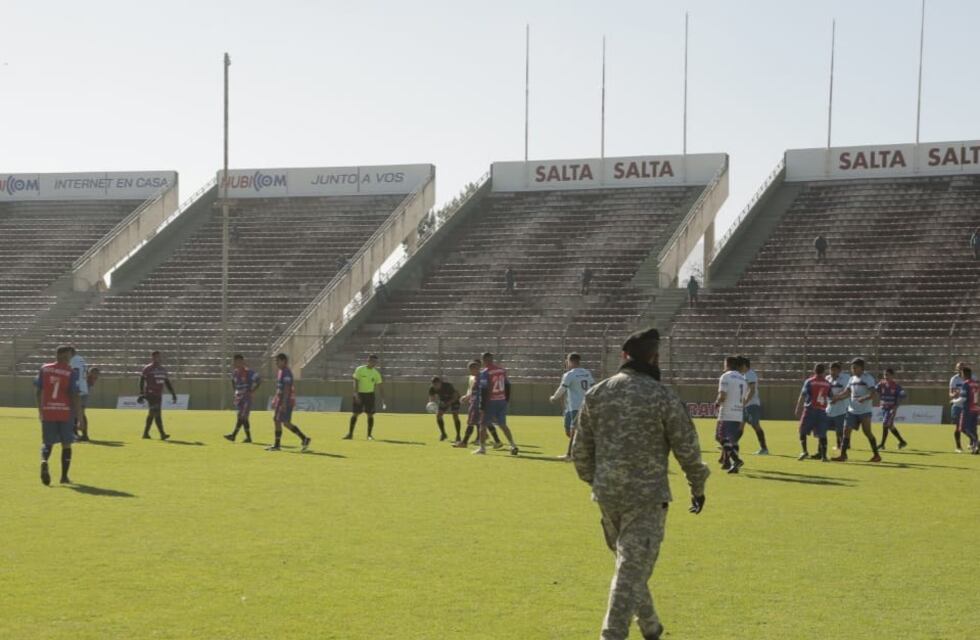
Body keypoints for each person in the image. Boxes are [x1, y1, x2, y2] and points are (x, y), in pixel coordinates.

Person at [572, 328, 709, 640]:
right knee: (631, 570)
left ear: (624, 356)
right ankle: (612, 634)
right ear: (654, 357)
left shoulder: (597, 393)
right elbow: (687, 447)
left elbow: (580, 452)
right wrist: (697, 486)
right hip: (646, 496)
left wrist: (597, 480)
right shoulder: (662, 395)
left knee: (629, 569)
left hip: (607, 494)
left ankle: (650, 627)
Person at [34, 346, 81, 485]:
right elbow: (74, 394)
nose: (69, 359)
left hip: (48, 411)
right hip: (65, 412)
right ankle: (64, 477)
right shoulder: (70, 372)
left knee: (47, 442)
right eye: (68, 357)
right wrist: (79, 416)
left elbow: (38, 391)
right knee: (66, 444)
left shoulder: (44, 368)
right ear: (60, 355)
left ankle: (44, 461)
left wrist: (40, 410)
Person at [831, 358, 881, 463]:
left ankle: (876, 455)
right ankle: (843, 455)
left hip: (864, 411)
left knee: (867, 432)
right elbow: (847, 392)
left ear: (861, 368)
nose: (853, 369)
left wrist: (864, 398)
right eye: (852, 367)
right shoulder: (852, 378)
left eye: (855, 367)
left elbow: (873, 394)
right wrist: (837, 397)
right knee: (846, 431)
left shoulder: (868, 378)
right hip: (852, 410)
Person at [549, 352, 595, 460]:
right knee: (569, 431)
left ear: (569, 361)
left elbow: (562, 389)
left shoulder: (569, 374)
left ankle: (570, 455)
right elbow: (593, 387)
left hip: (577, 406)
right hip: (573, 407)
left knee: (573, 430)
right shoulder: (587, 373)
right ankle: (581, 449)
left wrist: (554, 398)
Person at [474, 352, 519, 456]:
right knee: (502, 424)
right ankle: (513, 445)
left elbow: (484, 390)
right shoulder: (502, 370)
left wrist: (482, 406)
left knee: (483, 424)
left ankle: (482, 448)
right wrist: (506, 399)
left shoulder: (485, 372)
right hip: (501, 401)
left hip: (491, 401)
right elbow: (508, 385)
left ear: (484, 360)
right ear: (492, 359)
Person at [266, 353, 311, 452]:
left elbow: (287, 388)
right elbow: (279, 388)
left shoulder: (286, 372)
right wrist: (275, 399)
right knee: (277, 420)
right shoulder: (280, 371)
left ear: (283, 361)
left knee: (285, 423)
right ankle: (278, 445)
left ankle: (304, 438)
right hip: (280, 400)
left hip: (285, 401)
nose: (276, 363)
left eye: (277, 361)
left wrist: (284, 403)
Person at [454, 360, 503, 449]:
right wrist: (467, 397)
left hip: (477, 404)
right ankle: (497, 441)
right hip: (483, 403)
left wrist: (470, 399)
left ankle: (464, 442)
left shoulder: (480, 378)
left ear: (474, 369)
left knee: (471, 423)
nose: (470, 372)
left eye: (470, 370)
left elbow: (481, 391)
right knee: (487, 423)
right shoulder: (480, 377)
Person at [794, 363, 832, 461]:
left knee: (802, 431)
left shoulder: (810, 381)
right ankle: (824, 456)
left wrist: (798, 407)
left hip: (810, 409)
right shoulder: (827, 383)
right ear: (824, 372)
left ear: (814, 371)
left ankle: (805, 451)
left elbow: (803, 395)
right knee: (822, 433)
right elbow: (831, 396)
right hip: (822, 410)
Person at [716, 356, 746, 473]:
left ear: (727, 364)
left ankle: (736, 460)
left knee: (720, 437)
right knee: (732, 440)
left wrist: (717, 403)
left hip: (727, 412)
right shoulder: (742, 378)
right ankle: (730, 464)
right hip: (738, 412)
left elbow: (722, 395)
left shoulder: (725, 376)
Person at [138, 350, 177, 440]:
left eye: (159, 357)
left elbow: (167, 382)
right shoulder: (148, 368)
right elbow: (141, 379)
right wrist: (141, 392)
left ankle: (145, 434)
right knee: (157, 413)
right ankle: (162, 434)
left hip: (158, 394)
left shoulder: (162, 369)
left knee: (152, 414)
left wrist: (173, 394)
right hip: (150, 393)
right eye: (156, 357)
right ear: (152, 357)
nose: (158, 358)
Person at [345, 354, 384, 440]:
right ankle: (350, 434)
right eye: (372, 361)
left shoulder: (376, 373)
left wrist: (382, 398)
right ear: (368, 361)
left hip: (370, 395)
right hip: (359, 394)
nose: (373, 363)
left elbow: (380, 386)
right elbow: (355, 381)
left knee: (370, 415)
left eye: (375, 362)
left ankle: (369, 435)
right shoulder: (360, 369)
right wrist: (355, 394)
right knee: (355, 414)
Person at [225, 354, 261, 443]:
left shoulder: (248, 372)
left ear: (241, 361)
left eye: (237, 361)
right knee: (242, 418)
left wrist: (252, 391)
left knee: (242, 417)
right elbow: (233, 381)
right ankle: (248, 438)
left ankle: (233, 435)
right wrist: (235, 391)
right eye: (234, 361)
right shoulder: (235, 372)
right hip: (239, 398)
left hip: (246, 398)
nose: (235, 363)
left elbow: (258, 380)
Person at [739, 356, 769, 454]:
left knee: (756, 426)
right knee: (740, 426)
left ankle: (764, 449)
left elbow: (751, 390)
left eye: (739, 365)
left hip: (752, 405)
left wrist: (745, 402)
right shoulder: (745, 375)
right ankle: (729, 445)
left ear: (744, 365)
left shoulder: (750, 374)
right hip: (747, 405)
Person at [876, 368, 908, 450]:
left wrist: (895, 407)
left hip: (891, 409)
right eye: (884, 375)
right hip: (884, 408)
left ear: (892, 376)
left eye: (887, 375)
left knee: (885, 424)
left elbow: (903, 395)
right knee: (890, 426)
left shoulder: (896, 386)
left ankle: (882, 444)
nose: (885, 376)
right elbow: (874, 390)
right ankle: (902, 442)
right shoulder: (881, 384)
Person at [949, 362, 975, 453]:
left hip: (967, 405)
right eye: (959, 368)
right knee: (957, 427)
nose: (960, 369)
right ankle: (958, 447)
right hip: (957, 406)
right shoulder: (954, 379)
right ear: (956, 369)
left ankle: (973, 442)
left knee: (968, 426)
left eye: (962, 367)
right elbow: (950, 394)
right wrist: (954, 394)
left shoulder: (971, 378)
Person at [428, 376, 461, 442]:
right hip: (443, 400)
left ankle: (458, 435)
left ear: (440, 383)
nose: (435, 386)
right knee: (438, 415)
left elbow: (455, 395)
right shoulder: (432, 388)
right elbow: (431, 398)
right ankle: (443, 434)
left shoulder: (448, 386)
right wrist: (432, 404)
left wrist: (448, 403)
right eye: (434, 384)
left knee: (455, 416)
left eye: (437, 384)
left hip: (454, 399)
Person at [825, 362, 850, 450]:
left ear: (839, 370)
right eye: (831, 369)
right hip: (830, 408)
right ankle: (840, 444)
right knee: (825, 428)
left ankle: (842, 445)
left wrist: (838, 398)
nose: (832, 371)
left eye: (835, 370)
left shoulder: (846, 378)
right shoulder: (827, 378)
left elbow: (849, 393)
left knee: (840, 429)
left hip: (842, 408)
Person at [956, 367, 979, 454]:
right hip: (975, 408)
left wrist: (954, 401)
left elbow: (962, 398)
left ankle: (976, 441)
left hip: (967, 409)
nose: (961, 375)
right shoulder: (975, 384)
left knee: (963, 428)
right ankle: (975, 448)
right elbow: (976, 397)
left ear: (965, 374)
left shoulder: (966, 384)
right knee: (973, 429)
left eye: (962, 373)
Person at [68, 346, 89, 440]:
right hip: (84, 387)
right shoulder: (81, 359)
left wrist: (73, 386)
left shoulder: (73, 360)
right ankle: (84, 434)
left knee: (74, 412)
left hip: (77, 388)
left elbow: (75, 371)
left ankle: (75, 434)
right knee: (81, 412)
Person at [77, 367, 100, 442]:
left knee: (80, 413)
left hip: (82, 394)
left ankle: (83, 435)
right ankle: (80, 434)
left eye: (96, 375)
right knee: (78, 414)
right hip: (80, 394)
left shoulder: (87, 381)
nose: (95, 377)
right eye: (94, 374)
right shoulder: (85, 380)